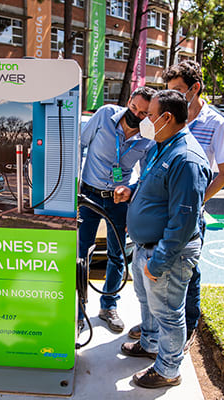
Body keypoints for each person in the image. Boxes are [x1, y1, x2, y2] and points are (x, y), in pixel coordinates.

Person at [127, 60, 224, 348]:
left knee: (180, 289)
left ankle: (178, 342)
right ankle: (153, 338)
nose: (146, 119)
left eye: (177, 89)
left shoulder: (212, 125)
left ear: (194, 89)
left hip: (183, 219)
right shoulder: (162, 136)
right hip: (158, 225)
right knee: (154, 296)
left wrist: (194, 202)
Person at [114, 90, 211, 388]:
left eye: (150, 115)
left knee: (168, 314)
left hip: (168, 253)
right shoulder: (161, 145)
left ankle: (168, 370)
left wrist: (159, 262)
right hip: (147, 247)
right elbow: (151, 184)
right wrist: (131, 189)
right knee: (148, 304)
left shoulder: (186, 159)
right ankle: (150, 343)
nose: (144, 120)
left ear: (167, 118)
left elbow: (183, 221)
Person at [79, 86, 156, 333]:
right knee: (82, 255)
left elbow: (146, 174)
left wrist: (131, 189)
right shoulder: (104, 115)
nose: (135, 114)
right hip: (89, 194)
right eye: (133, 107)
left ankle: (108, 306)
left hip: (118, 201)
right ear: (129, 101)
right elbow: (79, 144)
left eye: (143, 113)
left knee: (117, 255)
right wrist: (73, 186)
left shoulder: (149, 136)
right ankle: (79, 310)